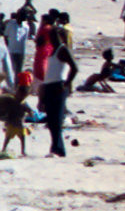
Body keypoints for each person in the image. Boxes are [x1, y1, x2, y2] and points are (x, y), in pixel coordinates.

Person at [41, 27, 77, 158]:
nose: (52, 38)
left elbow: (75, 68)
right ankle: (56, 146)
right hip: (50, 86)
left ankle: (58, 148)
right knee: (51, 120)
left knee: (56, 119)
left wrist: (66, 84)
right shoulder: (53, 51)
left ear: (61, 36)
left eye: (55, 35)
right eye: (51, 36)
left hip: (58, 86)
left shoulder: (62, 49)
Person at [0, 75, 33, 156]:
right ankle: (3, 149)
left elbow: (29, 110)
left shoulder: (24, 104)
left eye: (23, 95)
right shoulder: (12, 101)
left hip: (20, 125)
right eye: (19, 94)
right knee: (7, 138)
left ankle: (23, 151)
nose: (21, 97)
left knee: (22, 138)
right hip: (11, 124)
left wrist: (30, 113)